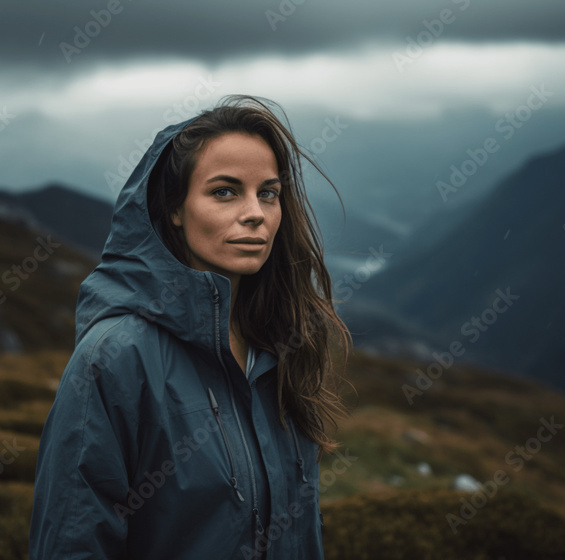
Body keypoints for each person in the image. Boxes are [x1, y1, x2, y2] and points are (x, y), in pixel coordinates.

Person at [29, 95, 352, 559]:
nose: (256, 213)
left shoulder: (279, 347)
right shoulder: (116, 357)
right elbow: (71, 543)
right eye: (224, 191)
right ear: (175, 209)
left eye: (268, 192)